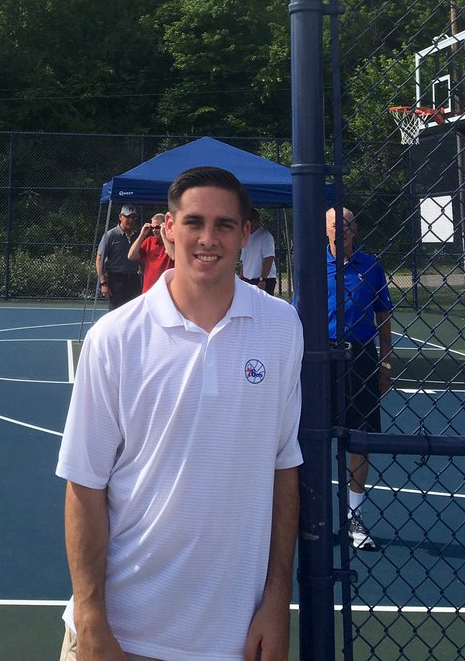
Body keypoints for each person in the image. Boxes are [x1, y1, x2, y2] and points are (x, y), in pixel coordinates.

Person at [59, 166, 303, 661]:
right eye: (193, 222)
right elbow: (85, 484)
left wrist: (278, 600)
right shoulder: (115, 339)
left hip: (232, 639)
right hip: (124, 634)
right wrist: (90, 619)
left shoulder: (281, 327)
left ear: (245, 235)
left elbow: (284, 469)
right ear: (167, 230)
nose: (207, 238)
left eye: (224, 225)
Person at [326, 205, 394, 552]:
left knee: (360, 440)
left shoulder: (371, 265)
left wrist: (385, 363)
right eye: (335, 226)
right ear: (326, 231)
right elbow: (295, 317)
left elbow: (384, 317)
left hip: (362, 359)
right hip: (321, 360)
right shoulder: (312, 265)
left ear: (356, 230)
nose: (342, 231)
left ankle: (354, 518)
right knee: (312, 438)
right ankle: (316, 517)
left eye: (348, 225)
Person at [96, 205, 140, 309]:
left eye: (133, 217)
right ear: (120, 216)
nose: (131, 220)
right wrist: (103, 283)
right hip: (116, 281)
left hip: (134, 280)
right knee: (115, 313)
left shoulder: (137, 237)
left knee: (134, 312)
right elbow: (99, 259)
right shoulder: (110, 235)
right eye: (127, 217)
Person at [128, 212, 173, 294]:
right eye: (152, 228)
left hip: (167, 291)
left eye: (157, 227)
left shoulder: (173, 242)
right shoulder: (149, 241)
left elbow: (174, 256)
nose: (154, 230)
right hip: (148, 291)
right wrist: (142, 235)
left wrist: (163, 234)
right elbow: (131, 256)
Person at [241, 207, 277, 294]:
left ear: (256, 220)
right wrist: (241, 276)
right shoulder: (246, 237)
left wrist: (262, 279)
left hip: (263, 280)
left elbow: (269, 259)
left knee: (263, 307)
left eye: (249, 220)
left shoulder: (265, 236)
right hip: (248, 279)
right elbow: (244, 260)